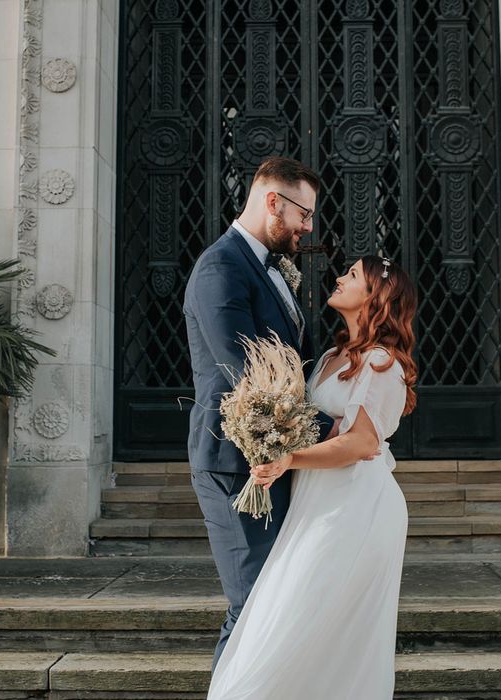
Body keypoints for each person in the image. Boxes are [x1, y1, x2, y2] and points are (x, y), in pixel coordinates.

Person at [206, 255, 418, 700]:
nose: (340, 278)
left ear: (376, 296)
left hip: (355, 507)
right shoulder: (329, 357)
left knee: (304, 620)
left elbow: (361, 444)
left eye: (353, 275)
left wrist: (288, 460)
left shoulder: (383, 363)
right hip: (316, 502)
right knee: (284, 615)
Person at [183, 157, 336, 670]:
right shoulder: (221, 268)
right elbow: (245, 368)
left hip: (275, 458)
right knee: (252, 607)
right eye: (305, 214)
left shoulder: (267, 268)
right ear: (274, 202)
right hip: (236, 463)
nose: (308, 227)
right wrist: (330, 434)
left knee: (276, 606)